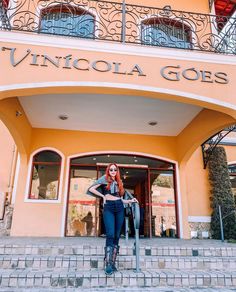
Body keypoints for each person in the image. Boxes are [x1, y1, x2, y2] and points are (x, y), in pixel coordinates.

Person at [87, 163, 138, 275]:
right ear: (108, 170)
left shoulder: (119, 182)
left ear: (117, 171)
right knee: (110, 233)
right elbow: (91, 189)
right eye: (111, 169)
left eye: (115, 169)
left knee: (116, 235)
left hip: (119, 207)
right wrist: (103, 196)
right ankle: (108, 264)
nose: (113, 171)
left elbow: (120, 199)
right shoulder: (105, 179)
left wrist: (130, 201)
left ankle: (112, 263)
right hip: (109, 207)